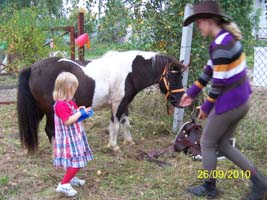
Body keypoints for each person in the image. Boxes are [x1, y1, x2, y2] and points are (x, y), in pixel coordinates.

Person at [180, 1, 267, 199]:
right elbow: (209, 71)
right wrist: (191, 93)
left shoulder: (220, 45)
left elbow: (218, 84)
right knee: (224, 144)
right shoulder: (225, 40)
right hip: (241, 101)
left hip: (230, 104)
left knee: (208, 142)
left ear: (208, 21)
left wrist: (205, 106)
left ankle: (209, 187)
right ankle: (260, 183)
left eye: (199, 22)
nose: (199, 26)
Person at [52, 72, 94, 197]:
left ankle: (71, 178)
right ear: (66, 89)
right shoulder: (60, 105)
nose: (75, 92)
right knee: (77, 161)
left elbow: (74, 113)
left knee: (75, 159)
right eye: (73, 89)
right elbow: (67, 121)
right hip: (68, 138)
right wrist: (80, 113)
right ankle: (64, 184)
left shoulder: (69, 101)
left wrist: (81, 110)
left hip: (75, 135)